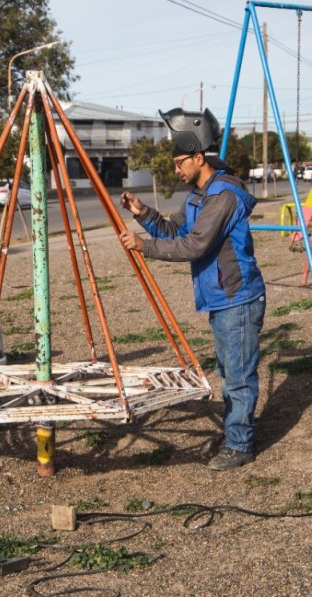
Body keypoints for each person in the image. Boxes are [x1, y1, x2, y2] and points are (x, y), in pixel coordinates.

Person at [119, 107, 266, 471]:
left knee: (238, 378)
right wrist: (143, 214)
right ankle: (237, 433)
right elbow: (175, 232)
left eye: (180, 161)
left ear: (199, 158)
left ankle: (240, 445)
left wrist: (143, 247)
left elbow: (195, 246)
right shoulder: (199, 196)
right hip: (220, 298)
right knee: (229, 372)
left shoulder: (223, 197)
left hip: (238, 298)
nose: (176, 169)